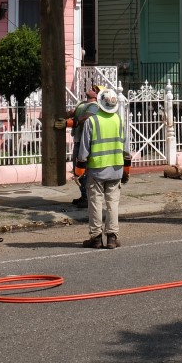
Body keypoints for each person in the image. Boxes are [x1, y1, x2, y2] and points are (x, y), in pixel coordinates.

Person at [72, 87, 128, 249]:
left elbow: (83, 150)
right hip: (116, 168)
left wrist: (79, 170)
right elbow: (126, 149)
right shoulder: (119, 120)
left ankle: (96, 237)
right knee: (113, 203)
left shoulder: (92, 121)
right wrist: (127, 170)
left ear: (100, 103)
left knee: (95, 203)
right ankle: (112, 237)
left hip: (96, 169)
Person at [67, 85, 100, 208]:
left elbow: (86, 118)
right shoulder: (82, 103)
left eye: (94, 89)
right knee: (78, 170)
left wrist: (70, 122)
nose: (91, 89)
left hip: (85, 142)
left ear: (97, 95)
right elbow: (73, 113)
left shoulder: (95, 106)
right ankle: (83, 195)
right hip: (78, 140)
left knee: (83, 170)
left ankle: (87, 198)